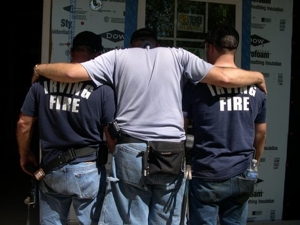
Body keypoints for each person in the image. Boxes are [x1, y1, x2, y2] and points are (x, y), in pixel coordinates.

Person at [31, 27, 267, 225]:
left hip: (130, 149)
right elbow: (225, 78)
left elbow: (72, 73)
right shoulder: (178, 55)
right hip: (170, 151)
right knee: (165, 218)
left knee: (131, 217)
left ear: (133, 43)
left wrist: (39, 69)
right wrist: (257, 76)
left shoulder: (117, 56)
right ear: (157, 44)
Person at [16, 30, 116, 225]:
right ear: (98, 54)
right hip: (87, 168)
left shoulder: (41, 83)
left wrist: (24, 154)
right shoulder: (102, 87)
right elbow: (110, 131)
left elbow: (23, 123)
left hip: (51, 167)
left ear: (71, 52)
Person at [182, 24, 267, 225]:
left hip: (207, 171)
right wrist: (256, 161)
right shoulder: (257, 89)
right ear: (234, 48)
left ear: (209, 48)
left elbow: (182, 128)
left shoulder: (196, 86)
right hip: (242, 171)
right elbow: (261, 133)